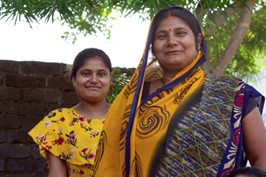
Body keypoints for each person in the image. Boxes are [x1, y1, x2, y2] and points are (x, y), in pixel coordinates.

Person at [94, 6, 266, 177]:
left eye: (180, 33)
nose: (171, 41)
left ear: (198, 41)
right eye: (162, 36)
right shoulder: (133, 96)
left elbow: (262, 157)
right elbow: (111, 158)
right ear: (152, 47)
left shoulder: (231, 93)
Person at [28, 48, 112, 177]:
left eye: (101, 74)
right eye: (85, 73)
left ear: (109, 79)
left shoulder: (127, 117)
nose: (94, 80)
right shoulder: (58, 121)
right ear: (73, 79)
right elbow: (57, 174)